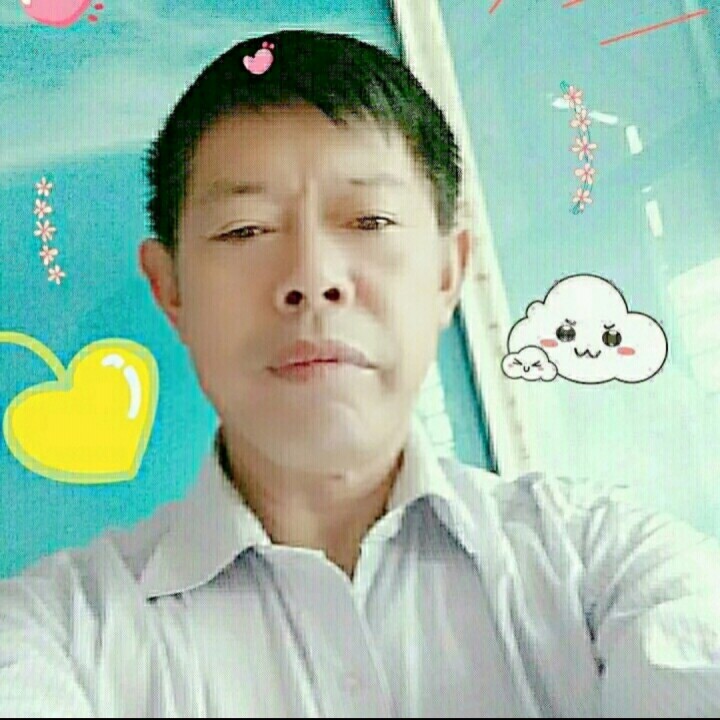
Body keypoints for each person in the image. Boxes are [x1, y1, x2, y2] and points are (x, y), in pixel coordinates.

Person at [1, 29, 719, 718]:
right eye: (245, 229)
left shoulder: (606, 568)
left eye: (370, 221)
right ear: (170, 290)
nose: (313, 277)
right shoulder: (54, 638)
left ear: (448, 271)